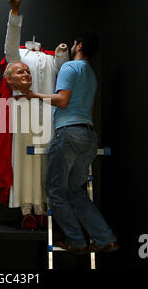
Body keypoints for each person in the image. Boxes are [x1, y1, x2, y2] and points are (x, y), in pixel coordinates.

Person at [21, 32, 118, 253]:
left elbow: (63, 101)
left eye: (74, 44)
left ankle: (76, 241)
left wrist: (33, 94)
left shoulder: (69, 68)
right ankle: (105, 238)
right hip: (88, 135)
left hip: (69, 133)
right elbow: (89, 108)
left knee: (55, 190)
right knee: (76, 191)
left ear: (79, 45)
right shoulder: (91, 74)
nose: (73, 46)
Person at [3, 0, 69, 229]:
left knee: (45, 160)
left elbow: (63, 70)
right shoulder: (17, 55)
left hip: (47, 113)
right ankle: (26, 208)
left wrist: (62, 53)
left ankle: (43, 206)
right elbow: (10, 41)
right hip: (22, 113)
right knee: (22, 159)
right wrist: (15, 11)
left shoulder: (51, 58)